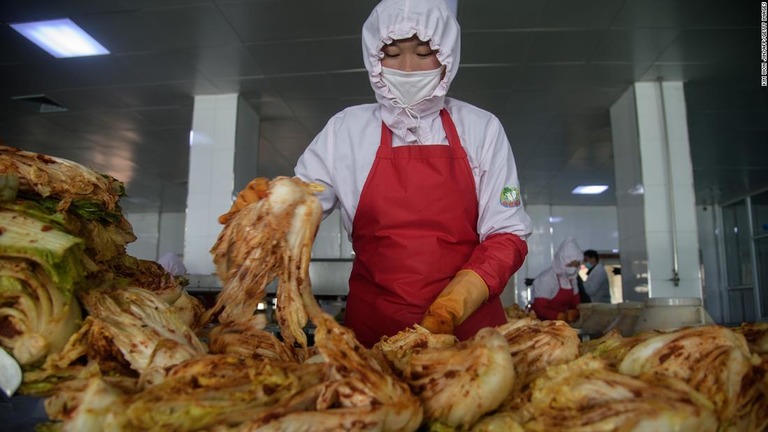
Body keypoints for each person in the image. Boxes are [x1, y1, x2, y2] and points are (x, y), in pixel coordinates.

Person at [229, 0, 532, 347]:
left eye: (423, 53)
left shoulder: (481, 129)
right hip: (375, 335)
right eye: (391, 53)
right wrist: (268, 210)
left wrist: (453, 306)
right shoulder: (347, 129)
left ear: (447, 54)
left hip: (468, 336)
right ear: (374, 57)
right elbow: (303, 202)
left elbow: (507, 234)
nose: (407, 68)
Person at [530, 237, 582, 322]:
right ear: (561, 262)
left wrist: (576, 312)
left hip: (561, 325)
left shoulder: (572, 279)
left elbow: (576, 303)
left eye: (576, 265)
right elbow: (539, 309)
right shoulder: (546, 279)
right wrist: (561, 316)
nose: (573, 268)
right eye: (570, 265)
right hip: (541, 324)